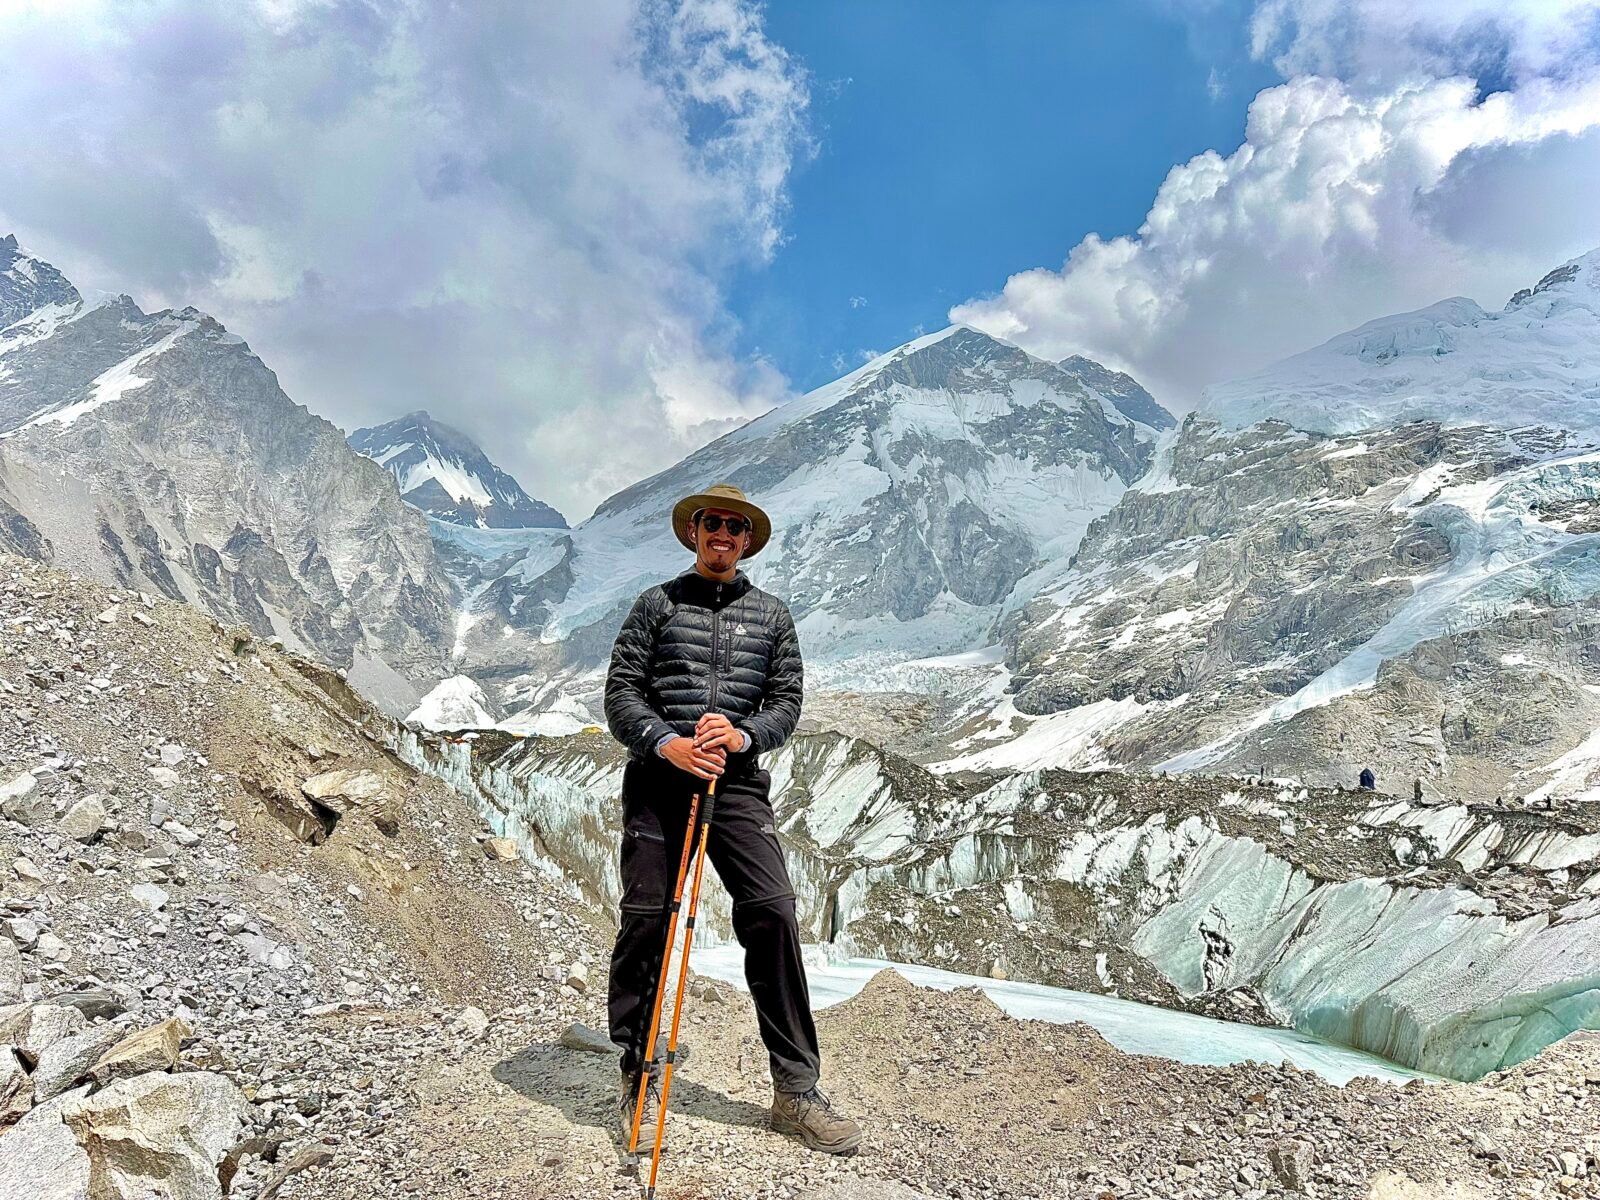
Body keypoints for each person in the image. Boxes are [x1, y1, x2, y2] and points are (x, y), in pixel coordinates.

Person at [603, 482, 863, 1155]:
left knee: (772, 912)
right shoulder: (656, 605)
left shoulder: (771, 616)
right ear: (694, 532)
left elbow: (785, 703)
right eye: (711, 523)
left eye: (735, 527)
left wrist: (743, 737)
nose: (722, 534)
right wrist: (670, 743)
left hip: (737, 786)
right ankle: (637, 1070)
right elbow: (621, 695)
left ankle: (796, 1091)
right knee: (647, 917)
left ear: (748, 540)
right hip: (661, 783)